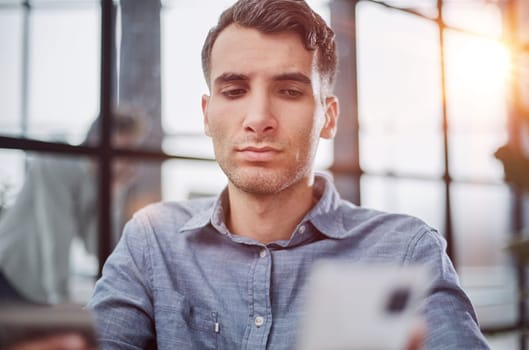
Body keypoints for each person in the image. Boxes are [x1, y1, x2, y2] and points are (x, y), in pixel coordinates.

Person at [87, 1, 490, 349]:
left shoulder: (407, 251)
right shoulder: (151, 241)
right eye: (234, 91)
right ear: (207, 114)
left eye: (289, 91)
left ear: (328, 118)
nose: (259, 119)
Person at [0, 105, 147, 305]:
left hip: (39, 291)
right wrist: (61, 301)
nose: (128, 161)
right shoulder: (57, 160)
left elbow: (94, 247)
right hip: (10, 273)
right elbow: (55, 232)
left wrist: (114, 193)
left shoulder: (97, 184)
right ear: (98, 141)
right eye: (124, 150)